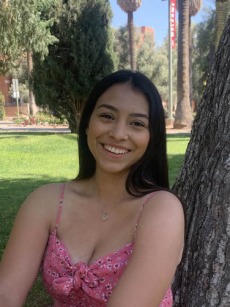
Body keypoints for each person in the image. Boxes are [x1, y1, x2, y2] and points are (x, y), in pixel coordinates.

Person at [0, 70, 184, 307]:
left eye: (137, 123)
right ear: (87, 124)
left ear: (152, 138)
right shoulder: (46, 202)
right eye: (107, 116)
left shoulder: (161, 211)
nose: (118, 133)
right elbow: (6, 293)